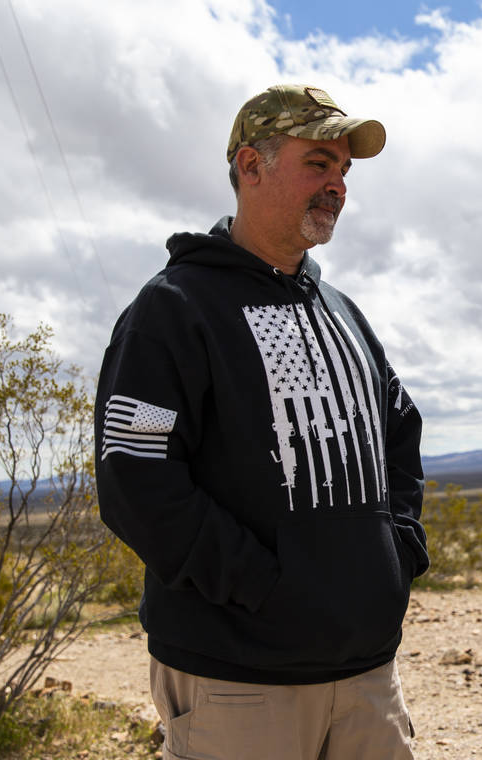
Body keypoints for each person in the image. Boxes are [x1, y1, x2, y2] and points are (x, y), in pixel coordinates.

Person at [95, 83, 429, 760]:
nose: (337, 184)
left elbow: (398, 432)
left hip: (367, 676)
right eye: (318, 163)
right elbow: (135, 477)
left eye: (344, 169)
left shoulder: (342, 311)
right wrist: (261, 586)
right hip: (236, 679)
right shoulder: (174, 307)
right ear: (251, 166)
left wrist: (397, 556)